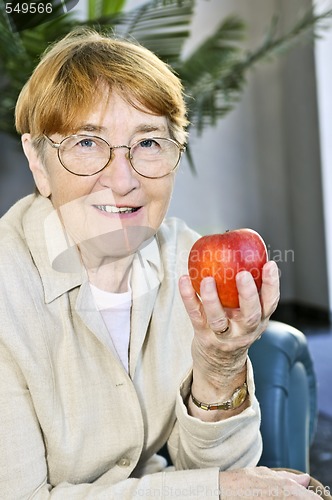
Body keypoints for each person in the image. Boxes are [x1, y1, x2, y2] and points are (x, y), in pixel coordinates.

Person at [0, 28, 320, 499]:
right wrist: (215, 491)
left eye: (148, 142)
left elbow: (217, 468)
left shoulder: (184, 261)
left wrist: (219, 365)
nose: (123, 179)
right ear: (39, 162)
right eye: (87, 143)